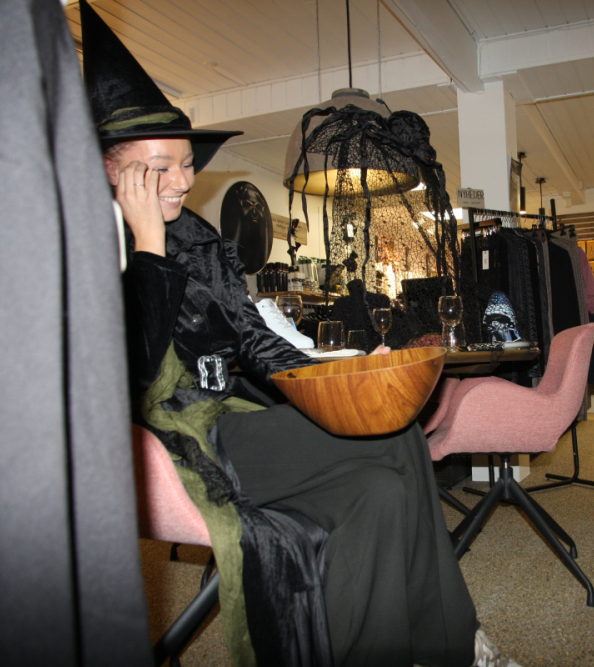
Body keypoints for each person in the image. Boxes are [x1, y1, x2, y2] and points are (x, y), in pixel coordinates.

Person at [78, 2, 520, 666]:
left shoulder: (197, 239)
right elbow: (125, 377)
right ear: (111, 170)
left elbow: (254, 338)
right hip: (169, 449)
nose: (184, 180)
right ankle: (457, 644)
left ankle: (434, 645)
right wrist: (145, 248)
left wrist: (339, 379)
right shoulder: (79, 247)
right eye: (161, 167)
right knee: (398, 438)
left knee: (379, 491)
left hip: (231, 422)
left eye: (187, 163)